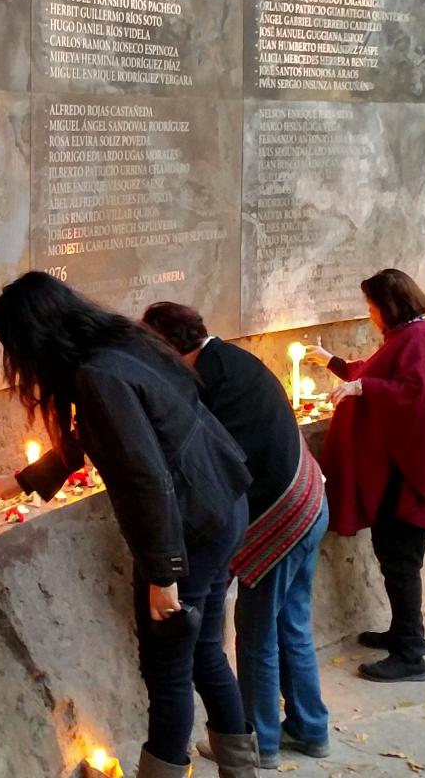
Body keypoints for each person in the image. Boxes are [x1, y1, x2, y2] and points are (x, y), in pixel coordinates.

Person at [0, 273, 258, 778]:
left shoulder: (97, 375)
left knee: (167, 671)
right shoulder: (123, 343)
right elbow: (97, 432)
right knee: (205, 651)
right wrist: (23, 482)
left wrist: (164, 572)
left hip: (189, 529)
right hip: (222, 505)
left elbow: (146, 476)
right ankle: (241, 768)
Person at [142, 303, 331, 768]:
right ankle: (310, 728)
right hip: (310, 498)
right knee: (291, 624)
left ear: (168, 344)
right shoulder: (226, 359)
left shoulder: (210, 378)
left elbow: (210, 460)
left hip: (282, 516)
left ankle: (261, 741)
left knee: (256, 632)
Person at [311, 269, 425, 683]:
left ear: (389, 306)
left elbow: (415, 393)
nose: (370, 314)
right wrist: (336, 365)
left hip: (408, 477)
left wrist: (363, 390)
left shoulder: (419, 339)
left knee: (400, 559)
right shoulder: (413, 335)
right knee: (396, 556)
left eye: (372, 306)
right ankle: (403, 632)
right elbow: (386, 371)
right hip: (403, 471)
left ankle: (411, 653)